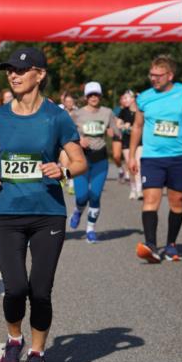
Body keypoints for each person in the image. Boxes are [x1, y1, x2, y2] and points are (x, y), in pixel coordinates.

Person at [0, 47, 85, 362]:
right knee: (15, 287)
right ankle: (14, 340)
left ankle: (38, 354)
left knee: (40, 290)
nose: (13, 75)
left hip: (47, 215)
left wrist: (64, 170)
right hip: (6, 213)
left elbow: (80, 160)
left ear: (39, 74)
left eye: (21, 70)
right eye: (9, 70)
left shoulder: (56, 117)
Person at [128, 54, 182, 263]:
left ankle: (171, 244)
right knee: (150, 200)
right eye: (151, 75)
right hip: (153, 157)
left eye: (158, 75)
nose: (154, 79)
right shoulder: (144, 97)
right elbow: (137, 126)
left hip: (180, 156)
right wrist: (132, 155)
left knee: (177, 201)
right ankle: (151, 245)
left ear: (170, 75)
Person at [69, 82, 116, 243]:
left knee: (95, 195)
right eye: (91, 95)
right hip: (81, 159)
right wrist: (78, 138)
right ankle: (78, 210)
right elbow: (67, 133)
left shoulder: (107, 112)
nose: (94, 97)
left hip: (100, 159)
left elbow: (116, 131)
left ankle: (90, 229)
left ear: (100, 96)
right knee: (82, 196)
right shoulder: (77, 114)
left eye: (96, 94)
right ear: (86, 97)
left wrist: (114, 131)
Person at [116, 90, 143, 200]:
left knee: (138, 165)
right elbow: (118, 124)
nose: (125, 100)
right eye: (124, 98)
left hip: (140, 141)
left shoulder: (141, 111)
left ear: (133, 99)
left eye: (127, 98)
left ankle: (139, 189)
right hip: (127, 141)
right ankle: (132, 188)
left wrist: (135, 128)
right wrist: (124, 126)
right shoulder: (123, 111)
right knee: (130, 165)